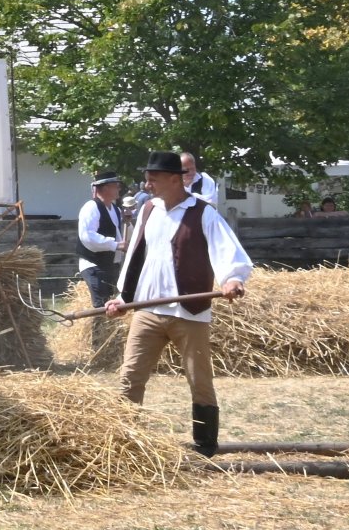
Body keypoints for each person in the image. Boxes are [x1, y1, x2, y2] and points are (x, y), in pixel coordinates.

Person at [106, 150, 251, 457]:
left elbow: (226, 249)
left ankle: (205, 447)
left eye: (153, 179)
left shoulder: (203, 212)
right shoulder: (148, 210)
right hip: (148, 310)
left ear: (175, 179)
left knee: (199, 380)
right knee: (130, 377)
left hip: (189, 312)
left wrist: (232, 279)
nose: (147, 185)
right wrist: (123, 298)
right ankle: (123, 443)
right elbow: (135, 257)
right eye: (147, 179)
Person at [76, 172, 126, 307]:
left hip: (110, 265)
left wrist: (128, 223)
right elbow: (88, 236)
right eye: (116, 186)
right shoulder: (91, 207)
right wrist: (115, 245)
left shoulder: (115, 209)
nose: (119, 189)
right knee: (101, 306)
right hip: (94, 265)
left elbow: (120, 234)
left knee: (111, 305)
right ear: (105, 188)